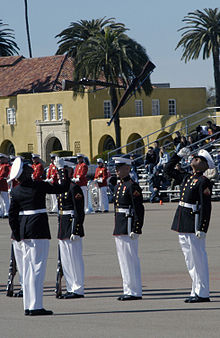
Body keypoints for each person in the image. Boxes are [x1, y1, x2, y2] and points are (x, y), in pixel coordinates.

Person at [8, 156, 70, 316]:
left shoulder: (15, 191)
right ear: (25, 172)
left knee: (27, 270)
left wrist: (17, 235)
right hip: (38, 230)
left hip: (24, 232)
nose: (32, 168)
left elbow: (12, 216)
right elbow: (63, 187)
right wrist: (61, 170)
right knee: (37, 268)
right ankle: (35, 306)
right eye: (28, 167)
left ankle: (28, 305)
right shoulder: (38, 186)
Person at [164, 147, 214, 303]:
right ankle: (196, 289)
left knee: (198, 257)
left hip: (194, 222)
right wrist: (177, 156)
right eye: (194, 158)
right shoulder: (187, 177)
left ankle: (203, 292)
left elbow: (206, 207)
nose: (194, 159)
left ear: (205, 165)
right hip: (183, 220)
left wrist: (202, 227)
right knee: (190, 259)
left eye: (198, 159)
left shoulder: (203, 181)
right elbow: (167, 170)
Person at [112, 157, 144, 301]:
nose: (116, 170)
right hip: (120, 225)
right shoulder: (120, 185)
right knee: (123, 260)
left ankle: (135, 290)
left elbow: (138, 208)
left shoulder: (132, 186)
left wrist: (137, 228)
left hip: (129, 226)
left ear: (127, 168)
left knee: (130, 259)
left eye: (119, 168)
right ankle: (128, 289)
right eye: (116, 168)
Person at [57, 171, 85, 299]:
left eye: (61, 174)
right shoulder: (61, 188)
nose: (59, 177)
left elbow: (79, 211)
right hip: (63, 225)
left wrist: (76, 229)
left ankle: (77, 288)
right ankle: (70, 287)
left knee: (74, 259)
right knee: (66, 260)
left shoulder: (74, 188)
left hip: (72, 224)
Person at [0, 153, 10, 217]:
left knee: (5, 199)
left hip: (3, 184)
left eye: (1, 159)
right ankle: (1, 212)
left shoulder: (5, 166)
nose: (0, 160)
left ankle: (6, 212)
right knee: (0, 200)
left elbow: (3, 174)